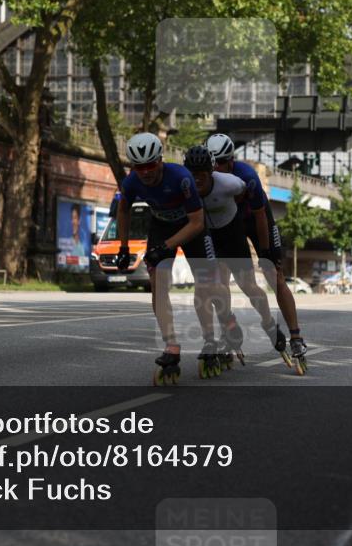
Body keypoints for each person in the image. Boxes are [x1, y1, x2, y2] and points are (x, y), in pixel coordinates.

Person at [116, 132, 223, 383]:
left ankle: (210, 340)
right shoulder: (131, 182)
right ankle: (171, 346)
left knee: (206, 285)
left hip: (191, 228)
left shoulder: (182, 178)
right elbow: (123, 211)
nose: (145, 172)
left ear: (160, 160)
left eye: (150, 165)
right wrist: (123, 247)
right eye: (138, 166)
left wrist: (166, 247)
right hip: (161, 226)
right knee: (158, 285)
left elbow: (197, 223)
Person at [206, 133, 308, 371]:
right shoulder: (206, 178)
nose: (219, 167)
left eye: (223, 162)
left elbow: (261, 215)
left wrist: (265, 252)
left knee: (276, 275)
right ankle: (228, 329)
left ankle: (295, 337)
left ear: (231, 159)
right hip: (229, 225)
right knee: (220, 280)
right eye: (214, 163)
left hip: (255, 220)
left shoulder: (247, 177)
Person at [182, 145, 274, 366]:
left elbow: (250, 199)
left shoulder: (230, 183)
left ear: (211, 172)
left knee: (248, 286)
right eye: (193, 175)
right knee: (205, 286)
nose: (197, 181)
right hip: (207, 235)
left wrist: (263, 247)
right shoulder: (183, 187)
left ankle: (269, 321)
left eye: (202, 176)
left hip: (233, 234)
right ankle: (217, 335)